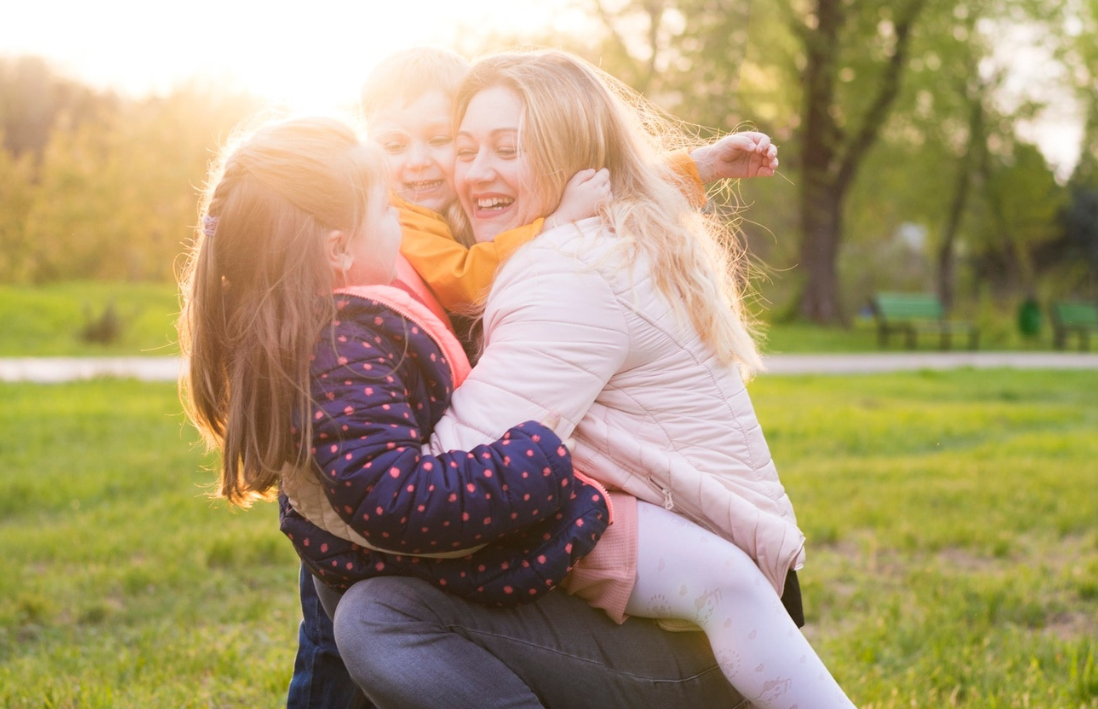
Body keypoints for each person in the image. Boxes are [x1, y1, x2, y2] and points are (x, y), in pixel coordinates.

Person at [329, 49, 856, 708]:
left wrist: (341, 451)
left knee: (377, 611)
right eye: (465, 150)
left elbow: (448, 473)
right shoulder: (601, 230)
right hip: (697, 597)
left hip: (694, 640)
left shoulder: (566, 268)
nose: (470, 171)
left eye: (504, 148)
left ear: (570, 160)